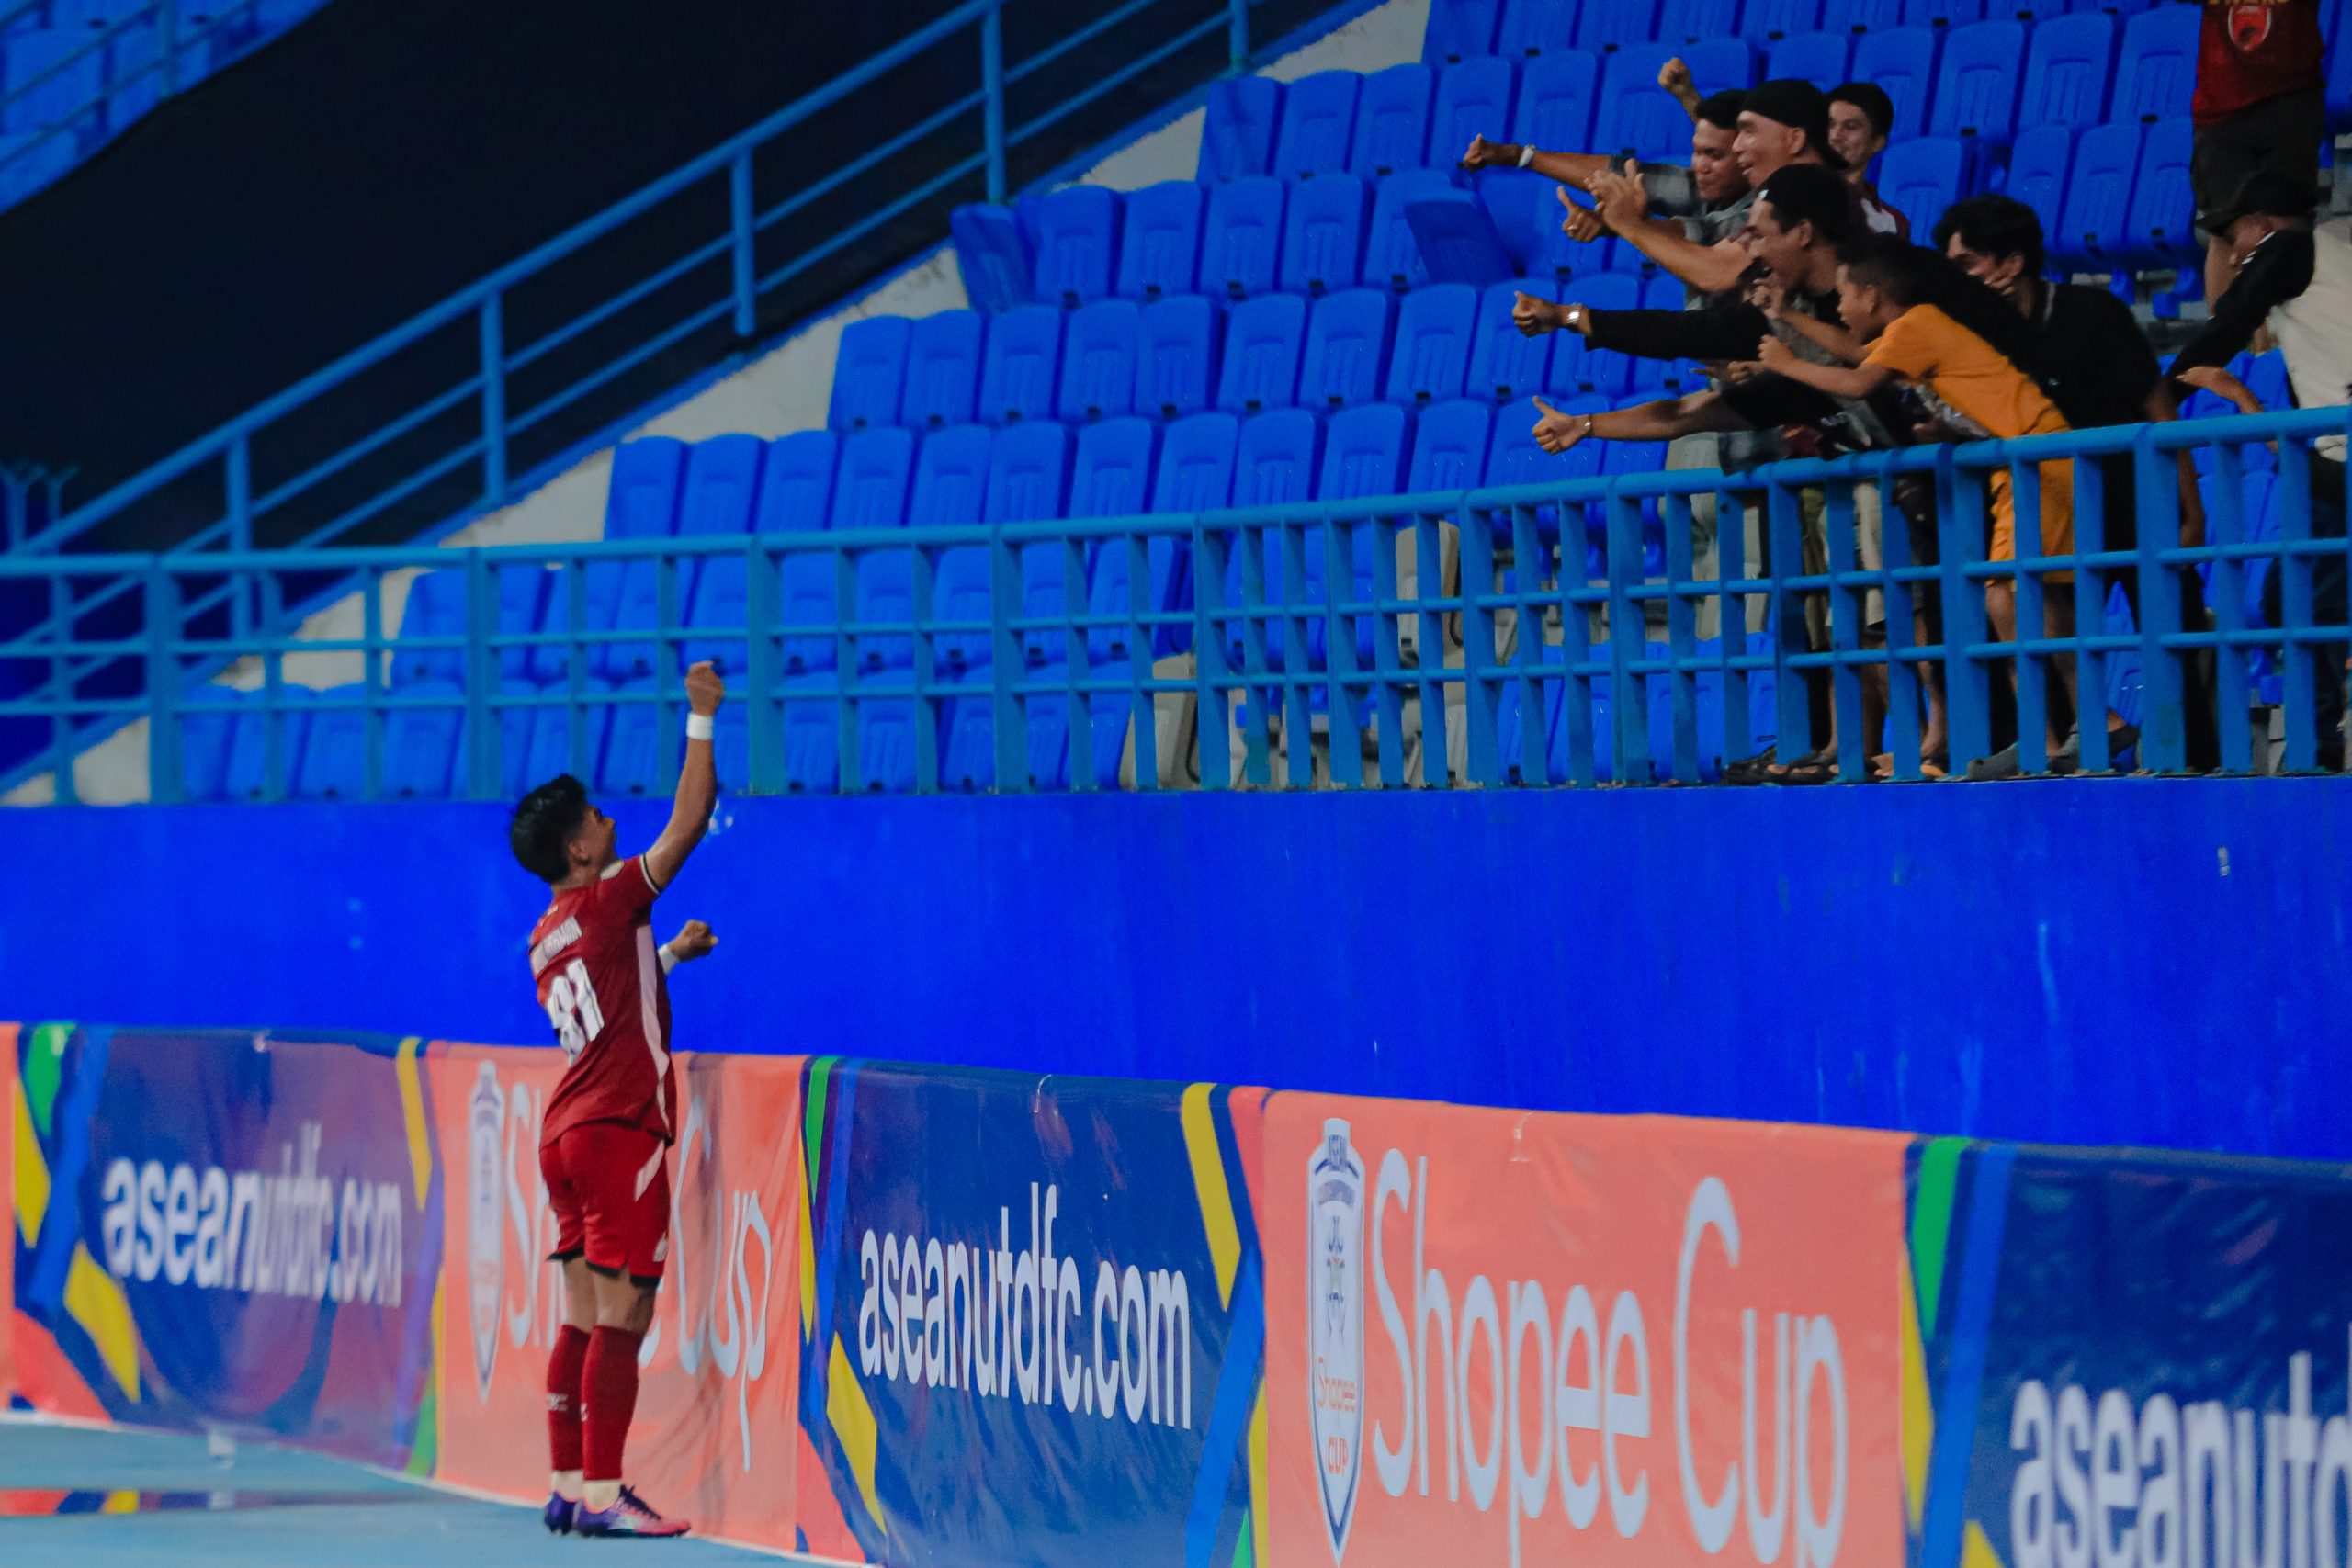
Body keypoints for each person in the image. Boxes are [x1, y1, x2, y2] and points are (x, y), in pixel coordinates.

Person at [507, 660, 728, 1540]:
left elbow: (604, 1002)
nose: (609, 817)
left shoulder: (546, 933)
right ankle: (605, 1493)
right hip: (615, 1130)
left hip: (561, 1134)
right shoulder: (607, 901)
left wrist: (665, 956)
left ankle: (566, 1481)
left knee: (579, 1315)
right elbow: (690, 822)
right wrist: (701, 718)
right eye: (596, 816)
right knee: (625, 1317)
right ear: (580, 851)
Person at [1741, 234, 2090, 766]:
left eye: (1842, 295)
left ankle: (2084, 727)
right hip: (2018, 464)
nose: (1837, 306)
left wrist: (1786, 363)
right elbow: (1859, 354)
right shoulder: (1911, 332)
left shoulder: (1920, 323)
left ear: (1873, 295)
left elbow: (1858, 380)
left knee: (2013, 598)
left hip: (2037, 458)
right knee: (2018, 600)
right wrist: (1787, 314)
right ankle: (2051, 737)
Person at [1935, 193, 2222, 774]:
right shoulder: (1979, 338)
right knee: (2042, 627)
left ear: (2010, 263)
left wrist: (2190, 507)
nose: (1958, 280)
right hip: (2055, 512)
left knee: (2172, 638)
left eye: (1967, 264)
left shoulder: (2091, 313)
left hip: (2135, 502)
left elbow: (2157, 405)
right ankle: (2068, 742)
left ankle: (2195, 766)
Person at [2164, 169, 2348, 770]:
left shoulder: (2292, 249)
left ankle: (2315, 752)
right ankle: (2315, 745)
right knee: (2290, 599)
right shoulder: (2337, 248)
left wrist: (2162, 391)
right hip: (2328, 460)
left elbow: (2231, 319)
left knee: (2298, 603)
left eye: (2234, 237)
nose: (2235, 254)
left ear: (2262, 225)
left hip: (2339, 463)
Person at [1462, 88, 1756, 299]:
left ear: (1746, 154)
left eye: (1714, 155)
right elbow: (1622, 173)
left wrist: (1623, 224)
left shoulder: (1763, 209)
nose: (1699, 166)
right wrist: (1520, 156)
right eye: (1695, 152)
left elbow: (1703, 233)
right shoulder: (1712, 186)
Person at [2187, 0, 2325, 314]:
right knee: (2227, 228)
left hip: (2289, 102)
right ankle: (2220, 354)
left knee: (2284, 228)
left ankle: (2272, 353)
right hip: (2220, 111)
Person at [1827, 83, 1906, 237]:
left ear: (1877, 142)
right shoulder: (1791, 195)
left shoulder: (1894, 224)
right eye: (1829, 125)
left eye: (1850, 126)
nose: (1835, 136)